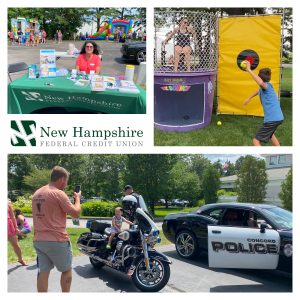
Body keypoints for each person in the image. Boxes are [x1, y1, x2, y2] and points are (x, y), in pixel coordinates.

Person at [32, 166, 81, 292]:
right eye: (66, 180)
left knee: (43, 271)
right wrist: (78, 199)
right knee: (66, 270)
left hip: (39, 240)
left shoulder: (37, 193)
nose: (66, 184)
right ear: (62, 179)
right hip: (57, 240)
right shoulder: (58, 193)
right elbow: (75, 213)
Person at [243, 61, 284, 146]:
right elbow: (258, 91)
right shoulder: (268, 86)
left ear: (259, 78)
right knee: (271, 135)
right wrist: (249, 98)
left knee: (256, 140)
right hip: (278, 117)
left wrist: (249, 70)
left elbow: (260, 83)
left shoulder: (266, 86)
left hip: (271, 119)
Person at [7, 200, 27, 266]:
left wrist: (16, 227)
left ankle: (20, 259)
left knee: (15, 244)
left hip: (9, 226)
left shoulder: (7, 202)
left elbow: (13, 217)